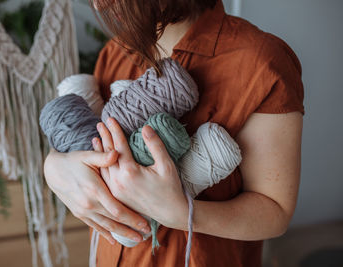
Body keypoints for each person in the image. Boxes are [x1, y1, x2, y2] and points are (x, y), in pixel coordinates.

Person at [43, 0, 305, 266]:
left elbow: (275, 212)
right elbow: (86, 141)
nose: (100, 7)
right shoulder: (115, 53)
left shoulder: (259, 63)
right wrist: (54, 166)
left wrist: (181, 214)